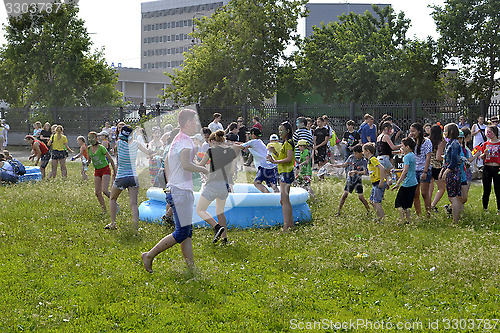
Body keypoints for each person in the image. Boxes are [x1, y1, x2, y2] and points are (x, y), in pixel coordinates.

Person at [141, 109, 209, 272]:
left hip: (177, 189)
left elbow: (168, 162)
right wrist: (204, 170)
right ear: (188, 123)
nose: (197, 125)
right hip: (180, 191)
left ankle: (191, 268)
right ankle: (149, 255)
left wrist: (172, 182)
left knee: (187, 231)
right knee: (182, 231)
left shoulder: (178, 140)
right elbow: (186, 165)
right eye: (195, 122)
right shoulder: (185, 141)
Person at [106, 125, 151, 230]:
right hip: (133, 177)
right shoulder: (136, 144)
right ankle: (135, 227)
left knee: (112, 198)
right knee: (134, 203)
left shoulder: (119, 143)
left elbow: (115, 151)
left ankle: (113, 223)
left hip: (121, 176)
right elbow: (148, 153)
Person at [196, 130, 237, 244]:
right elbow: (232, 171)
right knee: (220, 211)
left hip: (213, 183)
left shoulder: (211, 150)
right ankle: (224, 239)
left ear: (213, 141)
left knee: (200, 209)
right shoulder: (231, 151)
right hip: (225, 185)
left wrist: (195, 162)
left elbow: (201, 165)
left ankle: (216, 227)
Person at [267, 121, 295, 232]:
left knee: (284, 200)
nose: (280, 132)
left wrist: (275, 162)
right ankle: (291, 225)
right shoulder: (286, 143)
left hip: (286, 173)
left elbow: (289, 159)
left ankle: (286, 227)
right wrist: (275, 154)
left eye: (282, 129)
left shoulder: (288, 143)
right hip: (285, 172)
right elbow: (284, 158)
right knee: (284, 200)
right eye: (279, 130)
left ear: (287, 131)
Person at [332, 144, 370, 215]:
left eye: (356, 153)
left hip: (357, 181)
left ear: (360, 153)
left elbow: (365, 172)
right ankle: (338, 211)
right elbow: (344, 164)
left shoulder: (364, 161)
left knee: (361, 197)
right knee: (344, 195)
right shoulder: (351, 157)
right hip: (350, 180)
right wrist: (334, 165)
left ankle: (369, 211)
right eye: (354, 153)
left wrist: (356, 172)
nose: (355, 155)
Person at [85, 132, 117, 214]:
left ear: (96, 139)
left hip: (105, 169)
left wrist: (114, 171)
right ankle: (104, 210)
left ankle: (115, 203)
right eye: (89, 138)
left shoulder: (101, 148)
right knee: (97, 192)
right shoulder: (88, 148)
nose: (90, 139)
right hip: (97, 171)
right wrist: (86, 164)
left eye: (92, 138)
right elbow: (89, 160)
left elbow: (110, 159)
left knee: (105, 190)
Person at [240, 128, 279, 193]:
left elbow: (241, 146)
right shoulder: (260, 142)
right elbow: (246, 144)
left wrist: (231, 144)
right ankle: (278, 198)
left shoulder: (253, 142)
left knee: (257, 183)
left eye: (250, 134)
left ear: (253, 135)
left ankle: (268, 196)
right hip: (272, 165)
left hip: (264, 166)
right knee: (274, 186)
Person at [473, 125, 500, 214]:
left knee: (498, 189)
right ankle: (485, 208)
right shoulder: (486, 144)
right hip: (487, 167)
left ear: (495, 132)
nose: (488, 134)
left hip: (497, 167)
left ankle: (499, 209)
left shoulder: (499, 143)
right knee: (486, 189)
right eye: (487, 132)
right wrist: (484, 154)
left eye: (490, 132)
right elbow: (481, 157)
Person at [439, 123, 463, 223]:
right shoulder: (450, 143)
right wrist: (442, 170)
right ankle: (455, 218)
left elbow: (454, 160)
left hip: (453, 172)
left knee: (453, 197)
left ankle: (455, 220)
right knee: (452, 196)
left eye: (446, 130)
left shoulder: (454, 144)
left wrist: (447, 171)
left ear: (451, 132)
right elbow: (447, 159)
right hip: (450, 171)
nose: (444, 133)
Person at [391, 137, 418, 224]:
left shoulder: (406, 157)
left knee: (399, 203)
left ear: (407, 147)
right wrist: (397, 170)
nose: (400, 148)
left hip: (407, 183)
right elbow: (407, 169)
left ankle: (402, 220)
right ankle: (408, 220)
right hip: (414, 182)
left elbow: (405, 171)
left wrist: (398, 183)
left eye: (402, 146)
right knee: (406, 205)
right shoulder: (412, 155)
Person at [409, 122, 432, 216]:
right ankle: (419, 215)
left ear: (419, 131)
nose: (412, 133)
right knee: (415, 194)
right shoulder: (412, 142)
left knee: (424, 193)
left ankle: (428, 214)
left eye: (413, 131)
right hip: (414, 170)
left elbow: (428, 157)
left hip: (423, 169)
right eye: (411, 131)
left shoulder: (427, 142)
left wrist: (425, 171)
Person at [363, 142, 387, 222]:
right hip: (374, 183)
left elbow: (382, 168)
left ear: (367, 151)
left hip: (378, 183)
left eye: (364, 151)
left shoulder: (373, 159)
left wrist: (381, 181)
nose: (363, 153)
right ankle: (379, 216)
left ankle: (382, 218)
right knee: (371, 201)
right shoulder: (370, 160)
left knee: (376, 202)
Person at [376, 121, 400, 186]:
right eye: (390, 129)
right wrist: (402, 145)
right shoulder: (386, 136)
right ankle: (387, 185)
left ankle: (385, 187)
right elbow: (393, 147)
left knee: (384, 177)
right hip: (385, 159)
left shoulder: (379, 137)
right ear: (386, 128)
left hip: (379, 158)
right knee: (395, 176)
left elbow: (384, 149)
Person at [429, 125, 446, 211]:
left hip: (428, 166)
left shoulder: (428, 141)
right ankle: (433, 205)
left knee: (430, 188)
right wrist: (446, 157)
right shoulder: (440, 142)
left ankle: (427, 205)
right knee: (441, 188)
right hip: (437, 167)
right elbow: (438, 157)